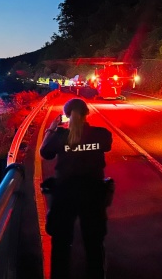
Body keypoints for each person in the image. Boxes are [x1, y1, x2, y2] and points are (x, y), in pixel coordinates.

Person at [40, 98, 113, 279]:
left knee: (61, 243)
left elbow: (45, 152)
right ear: (87, 114)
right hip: (93, 193)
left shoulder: (59, 136)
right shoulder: (101, 134)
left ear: (65, 116)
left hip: (64, 195)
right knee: (94, 242)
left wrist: (52, 128)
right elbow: (107, 146)